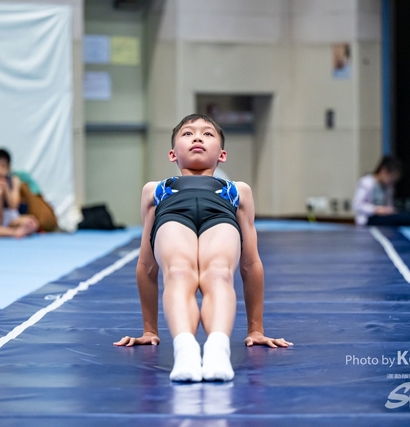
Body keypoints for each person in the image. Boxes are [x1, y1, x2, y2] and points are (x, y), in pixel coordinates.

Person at [114, 114, 292, 383]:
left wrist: (256, 329)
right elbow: (147, 265)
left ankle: (217, 349)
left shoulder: (238, 190)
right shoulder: (155, 190)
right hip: (173, 214)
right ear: (172, 154)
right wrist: (150, 330)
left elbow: (251, 263)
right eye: (188, 133)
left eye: (207, 134)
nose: (197, 137)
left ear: (222, 155)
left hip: (220, 214)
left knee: (219, 273)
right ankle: (185, 349)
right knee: (178, 272)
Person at [0, 149, 37, 236]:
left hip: (11, 219)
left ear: (9, 168)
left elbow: (14, 206)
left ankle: (3, 231)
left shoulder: (14, 180)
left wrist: (6, 189)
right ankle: (10, 231)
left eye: (3, 166)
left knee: (32, 223)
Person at [353, 156, 410, 227]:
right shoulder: (366, 182)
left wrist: (390, 210)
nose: (392, 181)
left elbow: (388, 205)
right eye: (392, 177)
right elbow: (357, 205)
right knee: (406, 219)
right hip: (369, 218)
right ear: (384, 170)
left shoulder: (388, 187)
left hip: (383, 216)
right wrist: (376, 210)